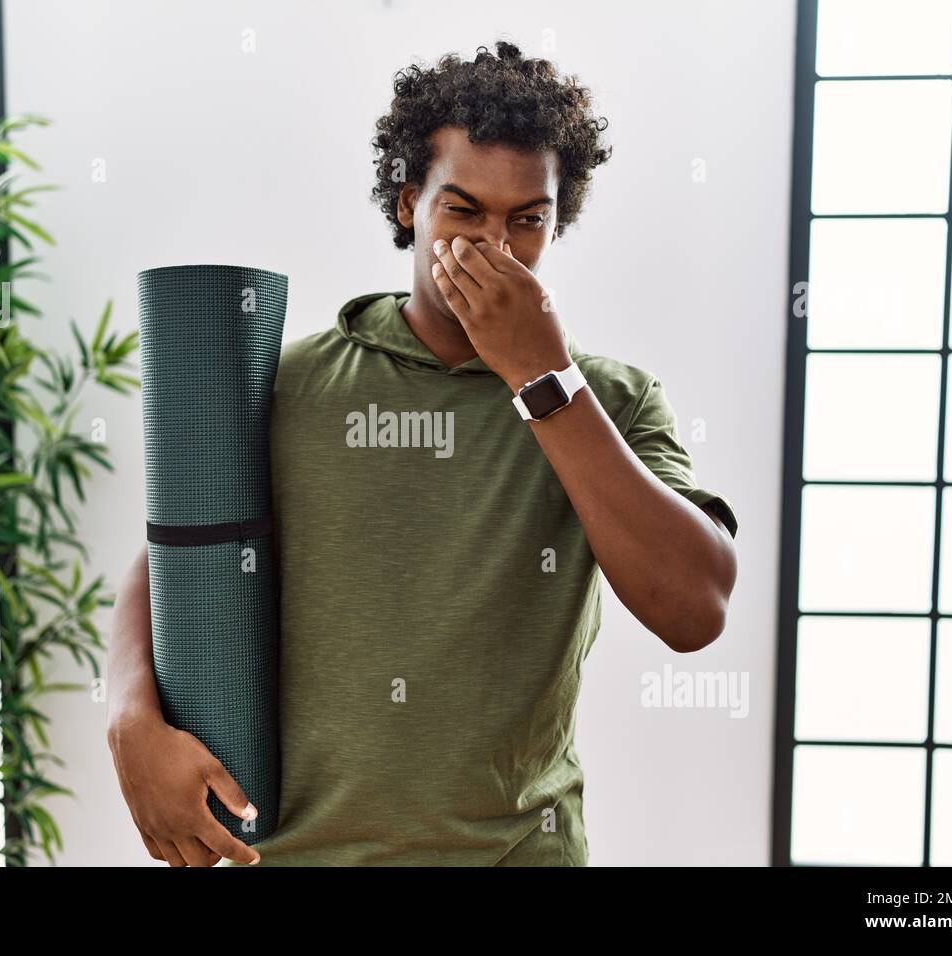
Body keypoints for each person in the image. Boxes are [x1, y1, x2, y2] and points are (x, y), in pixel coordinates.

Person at [106, 39, 739, 867]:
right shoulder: (286, 383)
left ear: (557, 220)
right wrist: (127, 716)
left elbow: (695, 611)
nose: (493, 248)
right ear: (410, 203)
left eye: (528, 220)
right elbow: (171, 556)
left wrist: (541, 377)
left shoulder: (612, 401)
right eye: (463, 210)